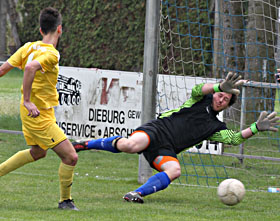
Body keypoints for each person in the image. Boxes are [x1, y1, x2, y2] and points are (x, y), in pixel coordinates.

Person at [73, 72, 280, 204]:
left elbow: (234, 138)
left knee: (175, 170)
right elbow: (199, 88)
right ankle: (84, 144)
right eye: (220, 95)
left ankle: (135, 194)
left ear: (226, 106)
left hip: (166, 149)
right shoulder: (199, 99)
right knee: (131, 145)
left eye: (225, 100)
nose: (220, 99)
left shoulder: (215, 127)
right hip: (157, 130)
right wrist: (219, 86)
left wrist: (256, 127)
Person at [0, 7, 79, 210]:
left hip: (36, 112)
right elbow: (30, 68)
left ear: (41, 29)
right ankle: (65, 201)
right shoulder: (51, 54)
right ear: (59, 29)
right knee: (70, 157)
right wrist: (28, 100)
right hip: (37, 113)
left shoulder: (29, 47)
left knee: (38, 152)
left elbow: (3, 69)